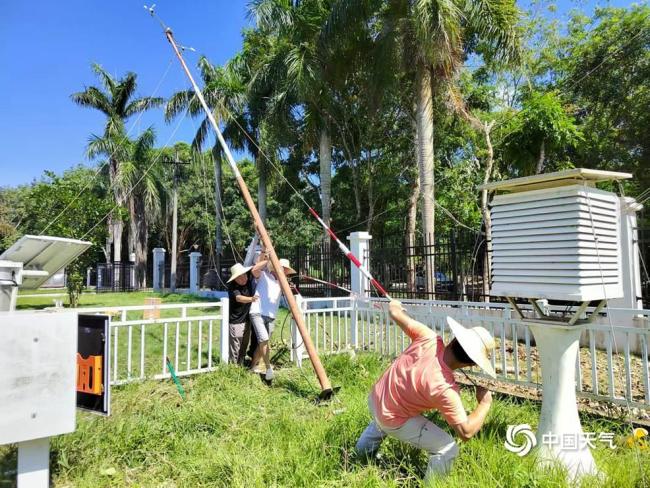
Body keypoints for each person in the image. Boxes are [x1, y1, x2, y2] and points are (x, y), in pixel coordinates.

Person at [355, 300, 497, 481]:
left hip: (376, 398)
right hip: (391, 417)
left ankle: (359, 455)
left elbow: (396, 313)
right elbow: (466, 432)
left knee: (387, 415)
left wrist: (396, 304)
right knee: (448, 448)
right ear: (471, 364)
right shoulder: (446, 389)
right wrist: (485, 403)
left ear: (454, 339)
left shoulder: (429, 337)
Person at [248, 251, 296, 380]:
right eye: (282, 269)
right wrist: (268, 260)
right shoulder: (264, 275)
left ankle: (252, 367)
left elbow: (289, 299)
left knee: (263, 342)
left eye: (286, 270)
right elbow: (254, 270)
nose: (284, 272)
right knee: (263, 339)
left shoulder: (283, 284)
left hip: (271, 315)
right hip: (257, 312)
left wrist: (292, 310)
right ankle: (268, 368)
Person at [226, 262, 261, 364]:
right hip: (236, 321)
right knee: (235, 345)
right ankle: (233, 367)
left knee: (244, 344)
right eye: (240, 277)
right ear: (235, 278)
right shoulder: (233, 286)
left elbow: (256, 267)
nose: (244, 278)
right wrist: (252, 299)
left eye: (245, 275)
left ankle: (240, 364)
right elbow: (239, 298)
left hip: (246, 320)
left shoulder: (248, 282)